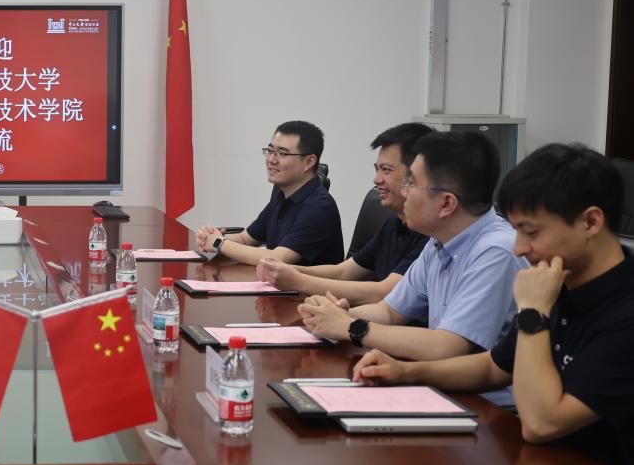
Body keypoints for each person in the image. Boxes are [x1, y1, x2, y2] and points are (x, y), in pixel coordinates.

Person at [353, 144, 634, 465]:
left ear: (590, 222)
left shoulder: (618, 309)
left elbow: (542, 423)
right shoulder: (559, 281)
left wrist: (533, 312)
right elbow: (493, 367)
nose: (519, 248)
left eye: (531, 232)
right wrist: (406, 372)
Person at [299, 131, 522, 360]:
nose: (404, 192)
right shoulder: (439, 242)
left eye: (411, 183)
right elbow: (389, 311)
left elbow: (447, 346)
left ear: (446, 203)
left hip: (469, 383)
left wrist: (349, 326)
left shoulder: (497, 253)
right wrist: (336, 315)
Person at [256, 123, 431, 306]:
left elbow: (384, 293)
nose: (376, 179)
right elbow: (343, 272)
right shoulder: (394, 224)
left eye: (386, 170)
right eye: (377, 169)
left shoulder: (430, 236)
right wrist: (283, 270)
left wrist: (298, 280)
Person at [194, 120, 344, 266]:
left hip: (304, 285)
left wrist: (219, 243)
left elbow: (276, 259)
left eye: (282, 153)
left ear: (309, 162)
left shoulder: (319, 207)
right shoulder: (282, 194)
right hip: (272, 282)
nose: (271, 159)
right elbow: (246, 239)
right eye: (270, 151)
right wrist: (210, 238)